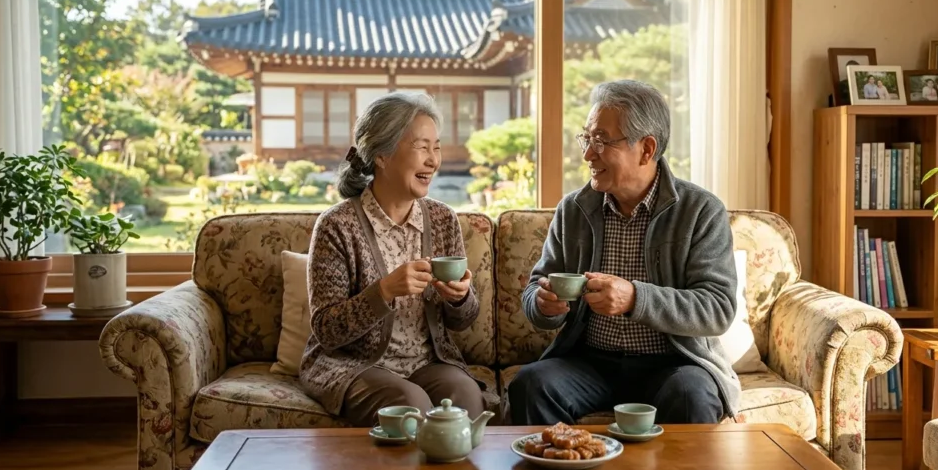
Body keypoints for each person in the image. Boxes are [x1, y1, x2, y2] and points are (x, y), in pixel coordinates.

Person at [507, 80, 740, 427]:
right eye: (586, 138)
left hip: (672, 363)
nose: (588, 154)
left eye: (601, 140)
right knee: (532, 384)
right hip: (590, 363)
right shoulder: (574, 209)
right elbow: (537, 285)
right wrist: (543, 305)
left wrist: (635, 298)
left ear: (646, 149)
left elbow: (718, 309)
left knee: (693, 394)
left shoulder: (700, 211)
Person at [299, 91, 485, 428]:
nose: (433, 160)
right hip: (354, 365)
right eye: (422, 147)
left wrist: (459, 298)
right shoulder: (337, 226)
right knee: (408, 405)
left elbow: (463, 321)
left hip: (428, 363)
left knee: (465, 396)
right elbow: (327, 330)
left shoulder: (443, 219)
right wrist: (383, 291)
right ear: (382, 156)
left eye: (437, 146)